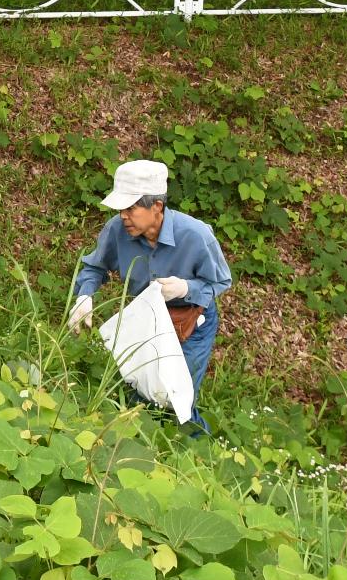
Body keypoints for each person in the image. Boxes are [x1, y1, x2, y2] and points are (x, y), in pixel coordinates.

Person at [65, 159, 233, 431]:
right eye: (121, 208)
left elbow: (221, 281)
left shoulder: (195, 235)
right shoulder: (117, 231)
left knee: (177, 396)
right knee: (138, 388)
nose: (123, 215)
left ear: (156, 207)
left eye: (131, 208)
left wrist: (186, 288)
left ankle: (196, 449)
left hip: (191, 320)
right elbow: (95, 267)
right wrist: (85, 296)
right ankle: (137, 445)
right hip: (146, 318)